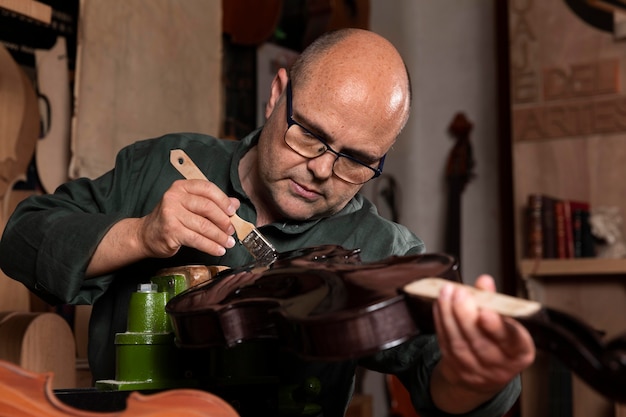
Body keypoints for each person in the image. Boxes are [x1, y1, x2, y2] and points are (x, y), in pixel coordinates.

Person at [0, 28, 534, 416]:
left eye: (356, 160)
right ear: (276, 95)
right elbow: (21, 238)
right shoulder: (161, 164)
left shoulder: (385, 251)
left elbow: (441, 376)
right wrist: (140, 234)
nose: (322, 169)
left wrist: (472, 378)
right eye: (310, 134)